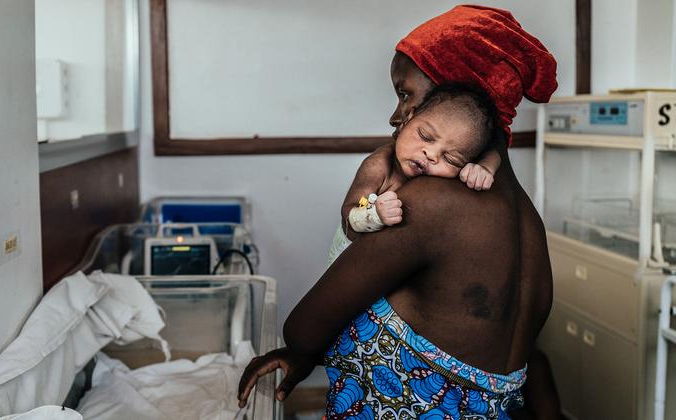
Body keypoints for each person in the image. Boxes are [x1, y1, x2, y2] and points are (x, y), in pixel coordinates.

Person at [238, 5, 558, 419]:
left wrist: (301, 350)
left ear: (460, 98)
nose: (395, 115)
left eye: (406, 94)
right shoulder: (527, 219)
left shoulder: (432, 204)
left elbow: (304, 328)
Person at [328, 82, 501, 264]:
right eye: (425, 136)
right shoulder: (379, 165)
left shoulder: (457, 167)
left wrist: (484, 168)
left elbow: (493, 154)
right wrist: (374, 215)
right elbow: (348, 213)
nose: (432, 155)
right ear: (408, 119)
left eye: (451, 159)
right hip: (349, 257)